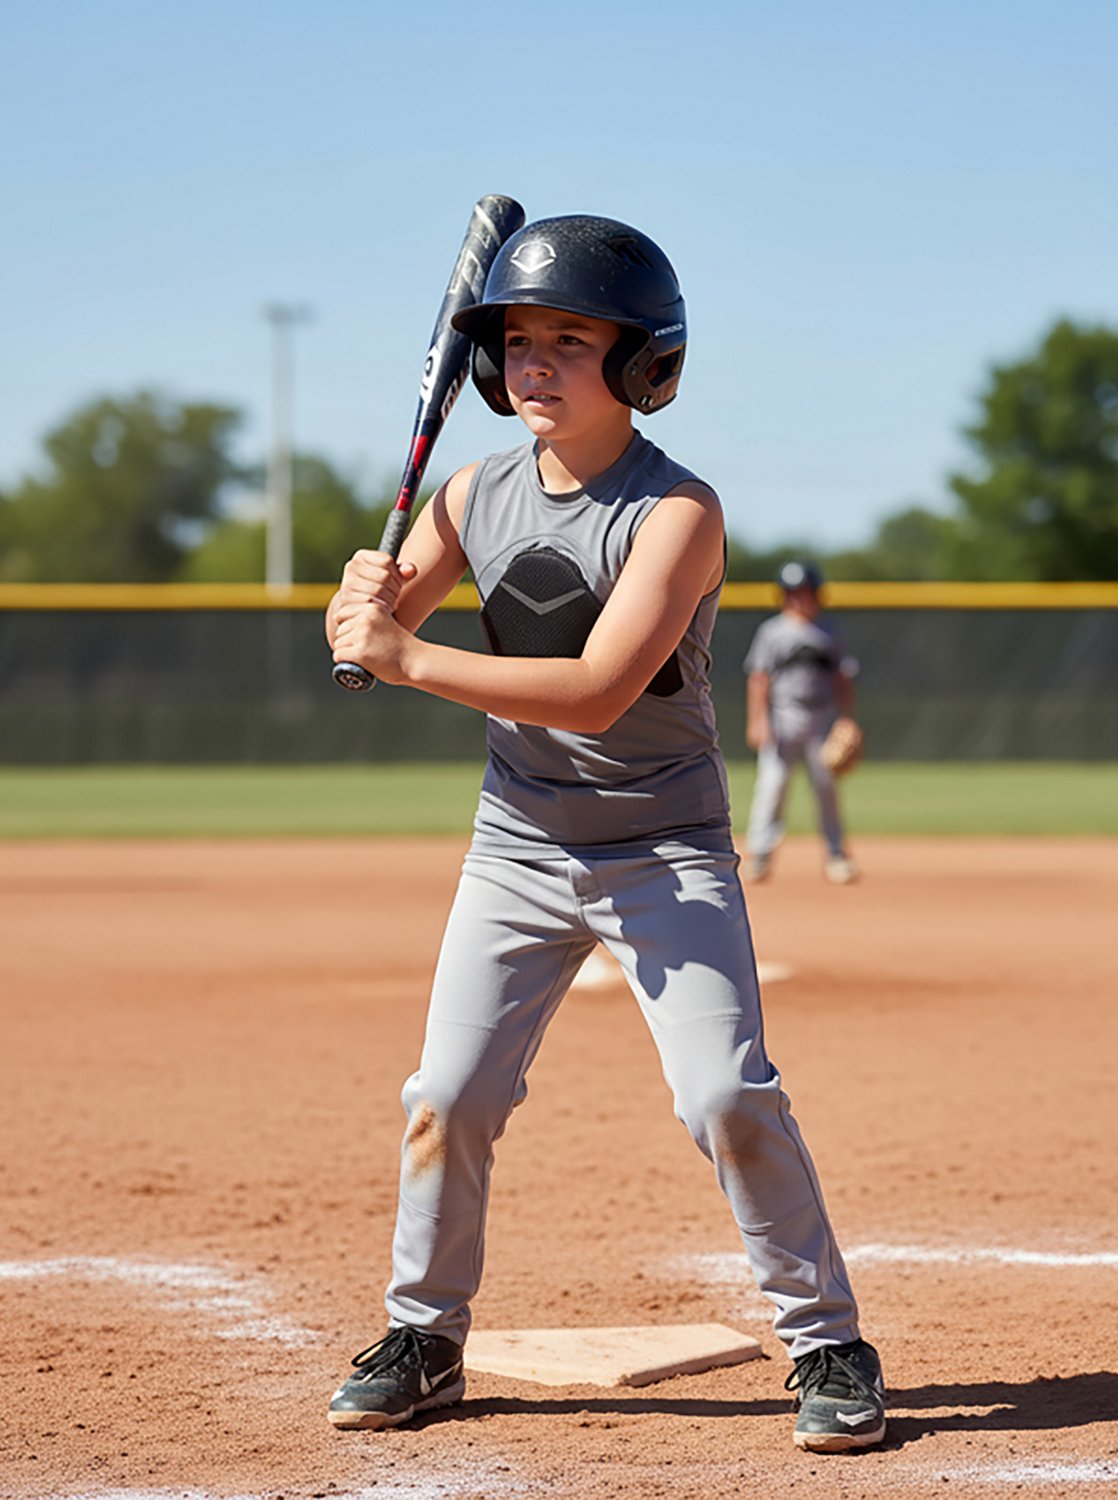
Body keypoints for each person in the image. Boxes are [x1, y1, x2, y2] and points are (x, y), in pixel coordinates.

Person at [324, 215, 883, 1452]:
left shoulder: (678, 512)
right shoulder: (472, 492)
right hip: (518, 845)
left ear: (643, 362)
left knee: (726, 1095)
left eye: (569, 340)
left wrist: (403, 654)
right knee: (447, 1095)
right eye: (516, 341)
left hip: (663, 850)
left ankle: (829, 1344)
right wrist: (358, 604)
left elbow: (594, 689)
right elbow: (373, 623)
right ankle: (425, 1336)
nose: (533, 364)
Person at [743, 563, 860, 884]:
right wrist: (757, 721)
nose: (798, 600)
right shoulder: (772, 631)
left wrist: (847, 719)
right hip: (783, 714)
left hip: (821, 716)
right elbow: (759, 679)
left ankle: (836, 856)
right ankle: (761, 855)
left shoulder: (829, 631)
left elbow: (842, 677)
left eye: (804, 593)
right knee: (772, 785)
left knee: (826, 787)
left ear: (817, 595)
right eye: (792, 593)